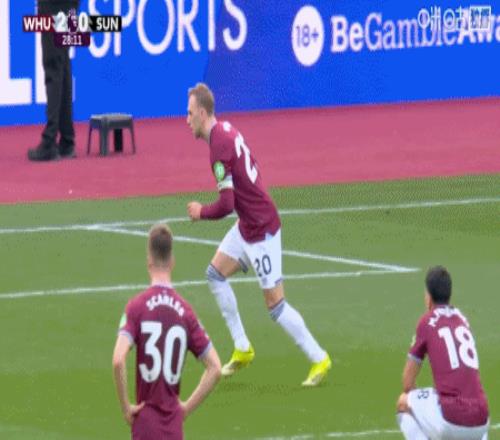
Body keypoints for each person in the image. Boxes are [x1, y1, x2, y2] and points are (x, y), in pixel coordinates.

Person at [185, 83, 331, 386]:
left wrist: (201, 212)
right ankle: (242, 347)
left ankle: (319, 358)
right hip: (248, 224)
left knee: (276, 306)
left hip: (262, 230)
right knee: (214, 274)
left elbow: (226, 204)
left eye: (189, 113)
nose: (186, 120)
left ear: (202, 113)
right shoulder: (225, 130)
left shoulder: (218, 147)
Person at [112, 224, 221, 440]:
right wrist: (186, 408)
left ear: (148, 261)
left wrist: (126, 407)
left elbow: (118, 360)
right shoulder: (186, 312)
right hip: (173, 427)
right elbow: (215, 368)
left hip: (145, 425)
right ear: (172, 262)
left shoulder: (136, 307)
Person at [396, 266, 489, 440]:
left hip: (451, 418)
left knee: (403, 403)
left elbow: (407, 382)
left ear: (428, 296)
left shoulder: (426, 321)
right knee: (468, 414)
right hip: (481, 420)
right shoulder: (462, 320)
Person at [28, 0, 79, 161]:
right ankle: (67, 141)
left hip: (54, 6)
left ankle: (50, 141)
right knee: (62, 65)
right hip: (69, 6)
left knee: (54, 67)